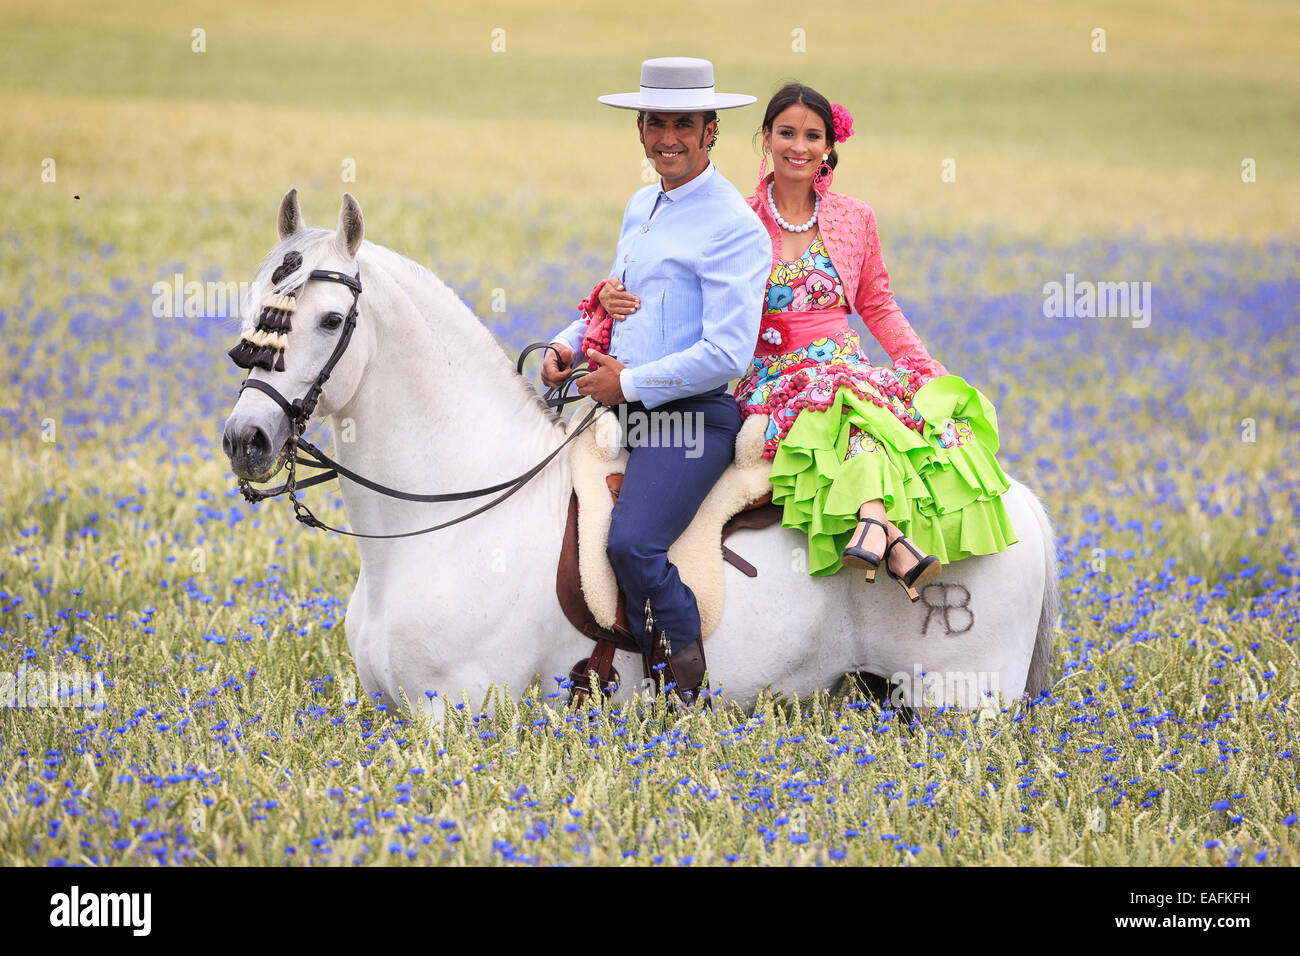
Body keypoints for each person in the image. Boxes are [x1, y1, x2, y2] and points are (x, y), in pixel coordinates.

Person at [733, 82, 1019, 598]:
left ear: (827, 146)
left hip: (845, 360)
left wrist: (922, 363)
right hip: (775, 372)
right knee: (839, 401)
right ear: (766, 139)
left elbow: (878, 305)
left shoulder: (853, 217)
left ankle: (873, 525)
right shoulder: (739, 219)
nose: (798, 146)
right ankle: (888, 533)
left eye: (812, 136)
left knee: (882, 407)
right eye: (787, 133)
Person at [543, 57, 770, 702]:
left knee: (635, 541)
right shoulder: (642, 204)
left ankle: (683, 679)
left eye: (684, 123)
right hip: (624, 401)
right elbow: (614, 304)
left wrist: (631, 384)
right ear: (640, 129)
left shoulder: (732, 225)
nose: (668, 137)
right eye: (656, 123)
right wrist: (567, 345)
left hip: (692, 417)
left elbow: (727, 353)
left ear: (710, 130)